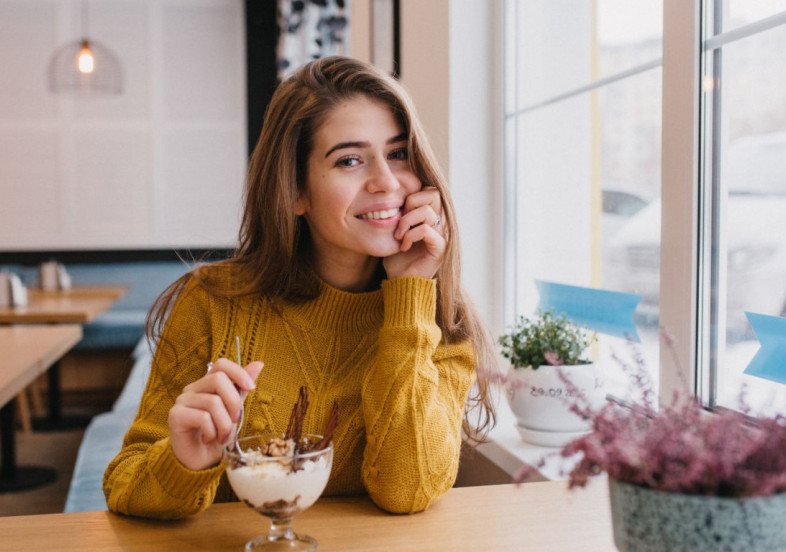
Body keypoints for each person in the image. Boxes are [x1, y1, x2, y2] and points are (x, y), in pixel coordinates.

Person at [103, 55, 497, 519]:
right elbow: (124, 485)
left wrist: (409, 296)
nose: (387, 182)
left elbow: (406, 490)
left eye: (398, 153)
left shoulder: (440, 320)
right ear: (295, 191)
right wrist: (184, 461)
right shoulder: (213, 302)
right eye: (350, 160)